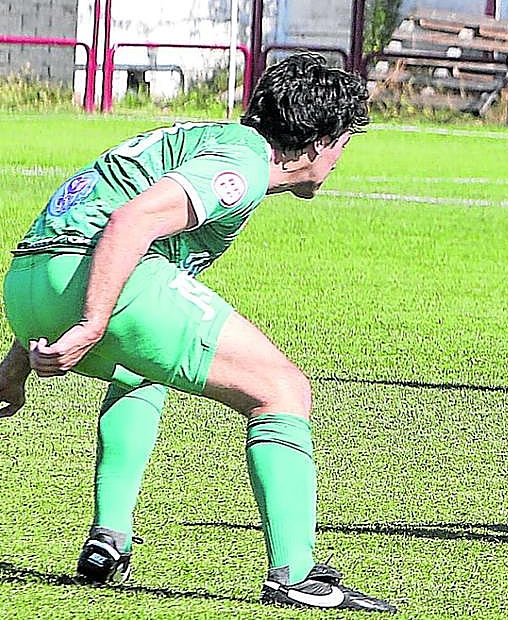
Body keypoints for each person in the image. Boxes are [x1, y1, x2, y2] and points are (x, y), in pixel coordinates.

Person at [0, 53, 396, 612]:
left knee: (141, 369)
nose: (339, 159)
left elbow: (78, 231)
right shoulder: (243, 164)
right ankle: (296, 575)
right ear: (317, 142)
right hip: (92, 276)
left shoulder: (210, 139)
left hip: (28, 286)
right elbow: (133, 220)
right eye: (343, 143)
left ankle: (109, 538)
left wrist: (15, 365)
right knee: (281, 390)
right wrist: (92, 323)